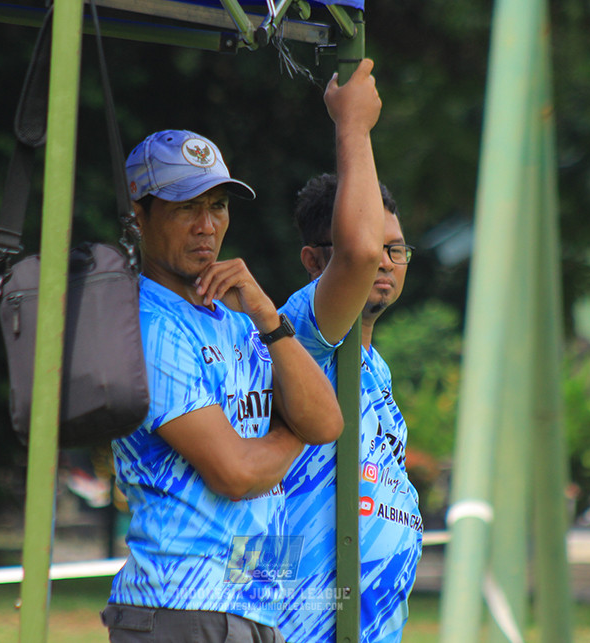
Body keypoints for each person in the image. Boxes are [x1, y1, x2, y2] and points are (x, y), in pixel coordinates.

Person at [102, 77, 377, 641]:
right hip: (180, 607)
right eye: (186, 207)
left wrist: (267, 316)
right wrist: (294, 430)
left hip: (251, 605)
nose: (207, 225)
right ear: (137, 216)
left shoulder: (237, 319)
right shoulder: (146, 325)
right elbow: (236, 473)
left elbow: (328, 421)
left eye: (218, 206)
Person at [277, 66, 422, 643]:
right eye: (370, 248)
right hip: (300, 624)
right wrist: (353, 126)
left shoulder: (375, 368)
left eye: (397, 249)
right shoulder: (302, 333)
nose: (383, 260)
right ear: (315, 262)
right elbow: (356, 256)